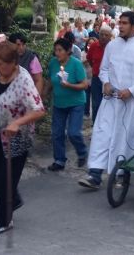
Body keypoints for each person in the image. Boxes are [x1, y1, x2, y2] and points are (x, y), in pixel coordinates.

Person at [79, 11, 134, 189]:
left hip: (132, 104)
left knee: (125, 138)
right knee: (102, 134)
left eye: (124, 23)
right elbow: (104, 68)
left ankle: (121, 173)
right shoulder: (112, 46)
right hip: (111, 100)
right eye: (119, 22)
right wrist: (106, 82)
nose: (120, 26)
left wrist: (132, 91)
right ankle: (95, 175)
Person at [0, 42, 46, 234]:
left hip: (17, 137)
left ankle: (3, 220)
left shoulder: (24, 80)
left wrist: (17, 123)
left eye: (2, 64)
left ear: (13, 63)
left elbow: (39, 110)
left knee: (5, 181)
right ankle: (14, 199)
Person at [45, 38, 88, 171]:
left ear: (68, 51)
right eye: (55, 50)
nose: (57, 53)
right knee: (57, 133)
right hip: (59, 103)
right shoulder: (53, 63)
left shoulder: (76, 64)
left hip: (76, 103)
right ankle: (59, 160)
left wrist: (69, 85)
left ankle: (82, 152)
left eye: (60, 50)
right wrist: (43, 95)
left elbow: (84, 84)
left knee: (73, 132)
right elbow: (50, 81)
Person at [85, 25, 112, 122]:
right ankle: (95, 123)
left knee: (108, 103)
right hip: (96, 78)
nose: (103, 37)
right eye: (101, 34)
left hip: (110, 81)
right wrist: (96, 68)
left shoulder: (113, 47)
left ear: (110, 36)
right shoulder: (94, 45)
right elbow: (89, 59)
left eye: (106, 35)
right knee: (96, 103)